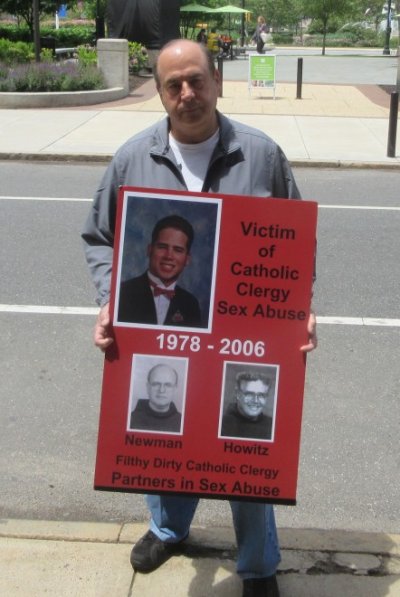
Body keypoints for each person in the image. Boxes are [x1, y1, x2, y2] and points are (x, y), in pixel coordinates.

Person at [82, 39, 317, 597]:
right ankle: (168, 528)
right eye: (173, 85)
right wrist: (110, 296)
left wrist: (300, 307)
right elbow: (99, 237)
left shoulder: (261, 155)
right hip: (164, 334)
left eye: (196, 80)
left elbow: (295, 244)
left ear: (217, 80)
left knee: (249, 440)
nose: (187, 94)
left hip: (245, 332)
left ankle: (258, 565)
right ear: (160, 92)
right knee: (164, 428)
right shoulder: (132, 159)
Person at [118, 214, 202, 327]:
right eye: (162, 247)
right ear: (149, 250)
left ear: (187, 259)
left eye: (178, 250)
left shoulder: (191, 304)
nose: (169, 256)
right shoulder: (124, 293)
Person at [220, 372, 274, 441]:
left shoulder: (272, 426)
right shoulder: (222, 424)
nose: (255, 401)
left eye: (261, 395)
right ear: (238, 394)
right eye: (249, 394)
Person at [130, 363, 182, 433]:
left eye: (168, 385)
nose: (161, 390)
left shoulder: (182, 421)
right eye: (156, 384)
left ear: (175, 389)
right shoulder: (131, 419)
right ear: (148, 387)